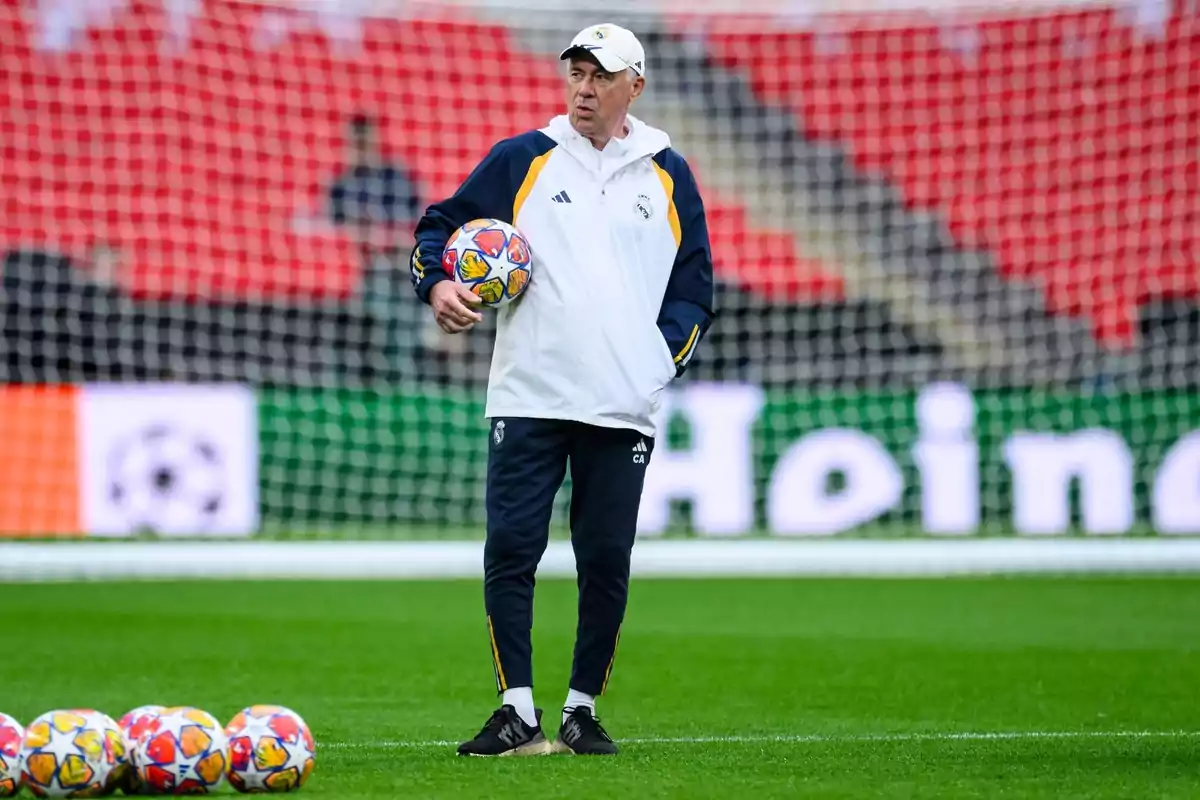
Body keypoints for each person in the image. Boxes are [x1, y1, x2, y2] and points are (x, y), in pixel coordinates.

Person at [409, 23, 715, 757]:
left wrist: (656, 362)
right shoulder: (524, 159)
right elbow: (439, 227)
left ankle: (581, 710)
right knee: (511, 551)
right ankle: (517, 710)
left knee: (604, 560)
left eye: (599, 75)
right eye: (575, 72)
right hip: (529, 395)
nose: (583, 87)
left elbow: (694, 289)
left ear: (632, 87)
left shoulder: (668, 173)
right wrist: (441, 283)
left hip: (622, 405)